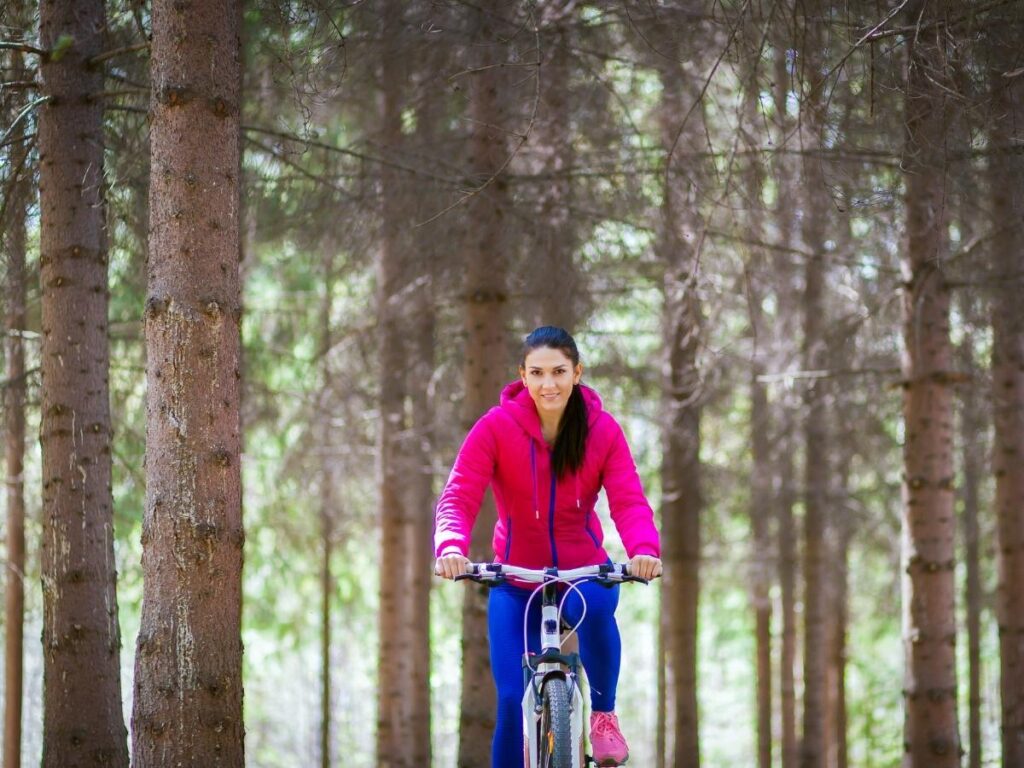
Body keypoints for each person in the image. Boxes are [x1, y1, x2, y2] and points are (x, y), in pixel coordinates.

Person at [434, 326, 662, 768]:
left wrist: (643, 550)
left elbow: (628, 499)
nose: (548, 383)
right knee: (509, 701)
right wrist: (450, 545)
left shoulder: (602, 430)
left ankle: (603, 714)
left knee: (598, 609)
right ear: (523, 375)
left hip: (583, 574)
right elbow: (459, 495)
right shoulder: (496, 428)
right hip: (516, 578)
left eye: (558, 371)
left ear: (577, 373)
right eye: (537, 373)